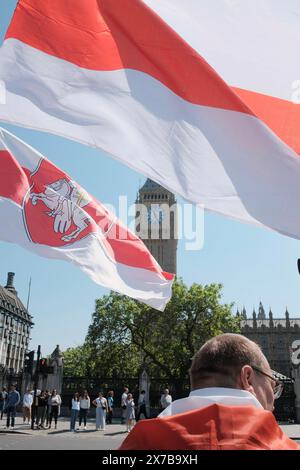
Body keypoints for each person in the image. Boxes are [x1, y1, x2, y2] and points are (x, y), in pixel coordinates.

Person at [120, 333, 300, 450]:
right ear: (248, 378)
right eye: (272, 386)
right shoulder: (279, 445)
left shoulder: (139, 441)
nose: (274, 402)